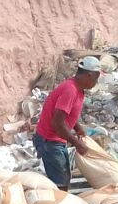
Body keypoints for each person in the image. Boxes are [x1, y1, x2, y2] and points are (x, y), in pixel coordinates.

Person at [33, 56, 102, 189]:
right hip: (49, 141)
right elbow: (57, 123)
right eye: (96, 78)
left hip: (55, 140)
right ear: (89, 75)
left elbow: (66, 114)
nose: (96, 82)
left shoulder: (77, 90)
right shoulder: (70, 90)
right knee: (60, 184)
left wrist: (77, 128)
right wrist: (77, 143)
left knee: (63, 179)